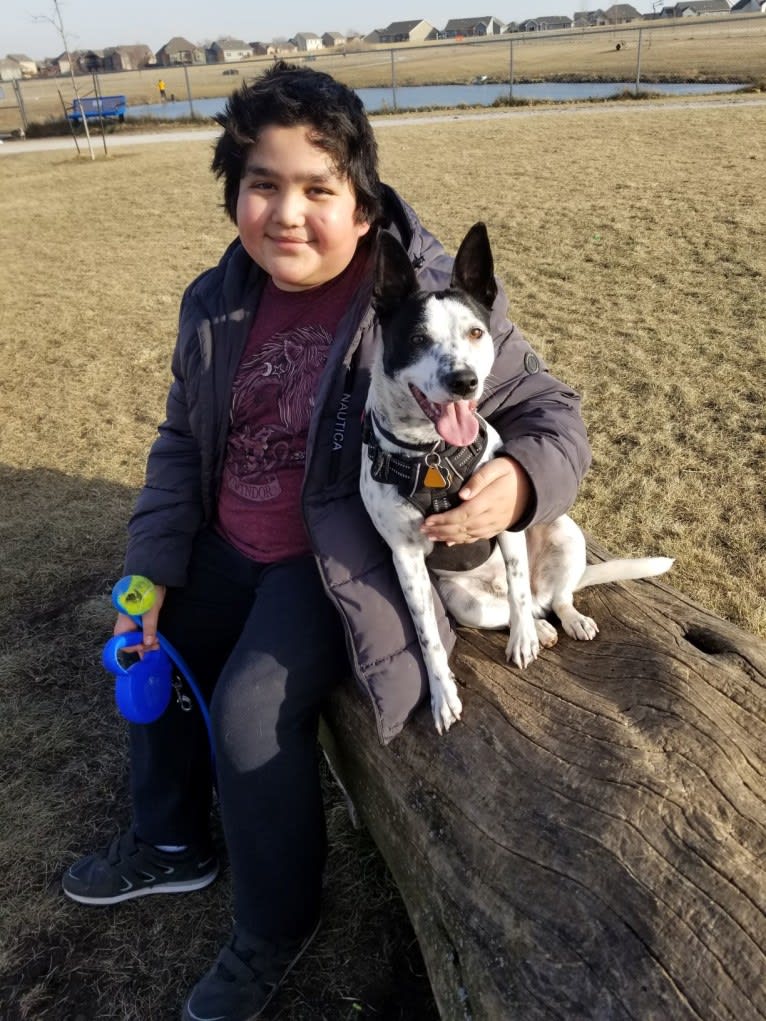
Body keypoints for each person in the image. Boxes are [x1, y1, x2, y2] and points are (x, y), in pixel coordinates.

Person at [62, 62, 591, 1021]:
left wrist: (518, 484)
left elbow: (551, 415)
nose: (288, 213)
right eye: (263, 184)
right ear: (234, 197)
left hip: (328, 559)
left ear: (363, 202)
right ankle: (170, 840)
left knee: (251, 711)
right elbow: (181, 442)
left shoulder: (426, 300)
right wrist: (150, 566)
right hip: (226, 539)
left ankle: (275, 924)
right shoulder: (216, 303)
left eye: (319, 188)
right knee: (149, 652)